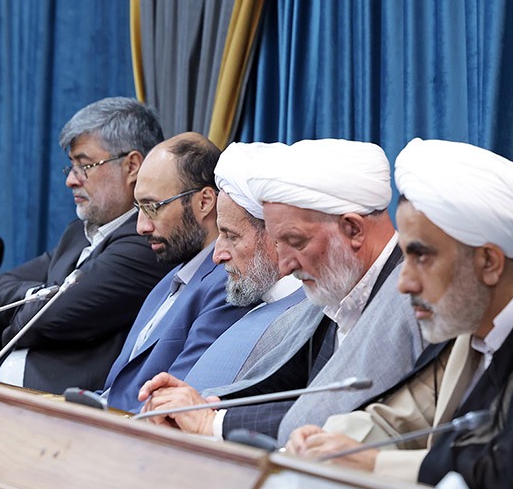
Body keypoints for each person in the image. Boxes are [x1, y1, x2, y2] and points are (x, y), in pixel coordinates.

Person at [287, 140, 513, 489]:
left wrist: (375, 464)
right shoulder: (473, 324)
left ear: (489, 262)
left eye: (421, 257)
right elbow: (403, 416)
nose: (404, 283)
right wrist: (324, 442)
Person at [138, 139, 422, 442]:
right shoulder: (335, 291)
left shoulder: (411, 302)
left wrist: (212, 423)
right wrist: (195, 407)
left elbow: (343, 415)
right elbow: (282, 385)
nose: (285, 265)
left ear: (352, 230)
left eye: (296, 242)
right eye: (278, 242)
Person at [0, 98, 169, 391]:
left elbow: (48, 317)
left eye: (85, 165)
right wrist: (39, 295)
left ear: (132, 166)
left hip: (68, 406)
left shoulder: (146, 242)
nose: (71, 181)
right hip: (7, 392)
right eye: (72, 167)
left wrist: (28, 314)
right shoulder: (78, 233)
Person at [100, 134, 250, 412]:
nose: (141, 227)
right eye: (138, 209)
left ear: (205, 202)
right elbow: (114, 392)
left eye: (152, 207)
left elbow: (174, 406)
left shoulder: (228, 283)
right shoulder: (167, 282)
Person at [180, 142, 305, 391]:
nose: (217, 256)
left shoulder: (304, 319)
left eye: (231, 236)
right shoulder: (263, 300)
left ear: (277, 235)